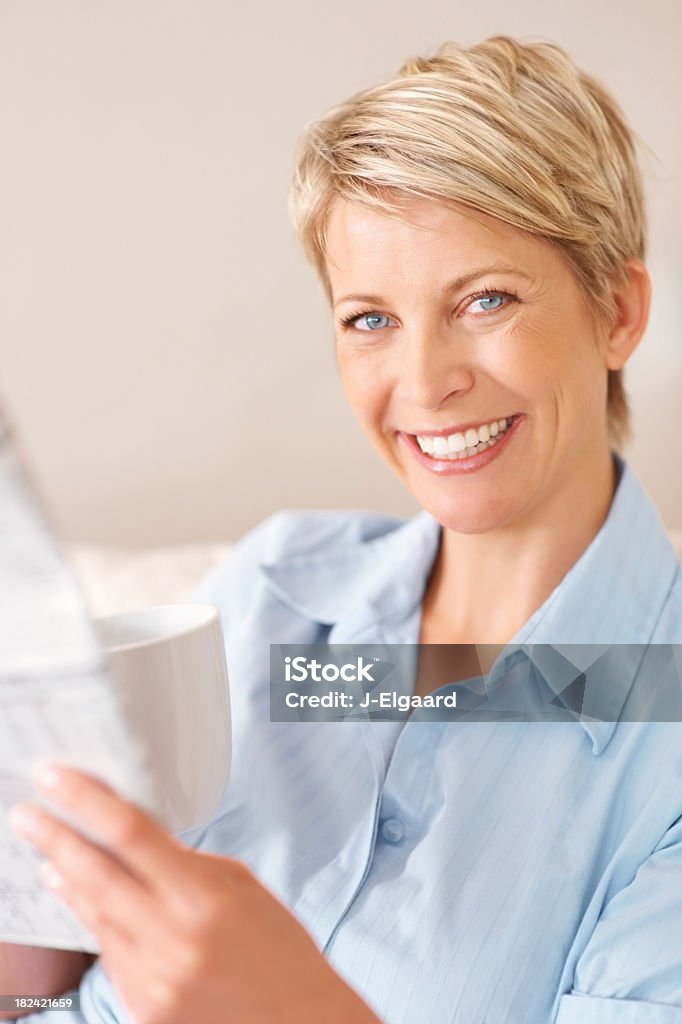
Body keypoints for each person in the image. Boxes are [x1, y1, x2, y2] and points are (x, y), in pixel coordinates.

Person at [4, 34, 682, 1024]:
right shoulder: (276, 589)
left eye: (484, 299)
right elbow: (43, 973)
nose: (422, 384)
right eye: (370, 319)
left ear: (617, 312)